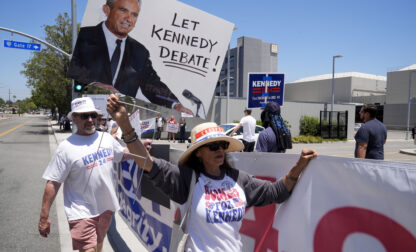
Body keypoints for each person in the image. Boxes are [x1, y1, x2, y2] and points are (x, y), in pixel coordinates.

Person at [106, 94, 318, 251]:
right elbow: (146, 162)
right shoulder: (186, 178)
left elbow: (276, 192)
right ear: (198, 153)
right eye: (213, 146)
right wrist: (125, 126)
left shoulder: (239, 179)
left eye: (222, 145)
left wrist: (298, 166)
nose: (219, 150)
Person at [67, 0, 192, 115]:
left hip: (121, 114)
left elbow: (153, 85)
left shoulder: (140, 51)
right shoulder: (84, 37)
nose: (129, 19)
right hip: (89, 110)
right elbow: (75, 68)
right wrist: (94, 83)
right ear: (107, 10)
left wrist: (175, 104)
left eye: (134, 14)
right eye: (123, 10)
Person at [38, 97, 131, 252]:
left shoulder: (106, 138)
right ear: (74, 118)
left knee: (98, 246)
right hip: (80, 211)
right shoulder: (66, 148)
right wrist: (44, 216)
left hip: (105, 208)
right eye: (83, 116)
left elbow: (121, 154)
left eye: (93, 115)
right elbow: (53, 183)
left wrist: (140, 149)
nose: (90, 120)